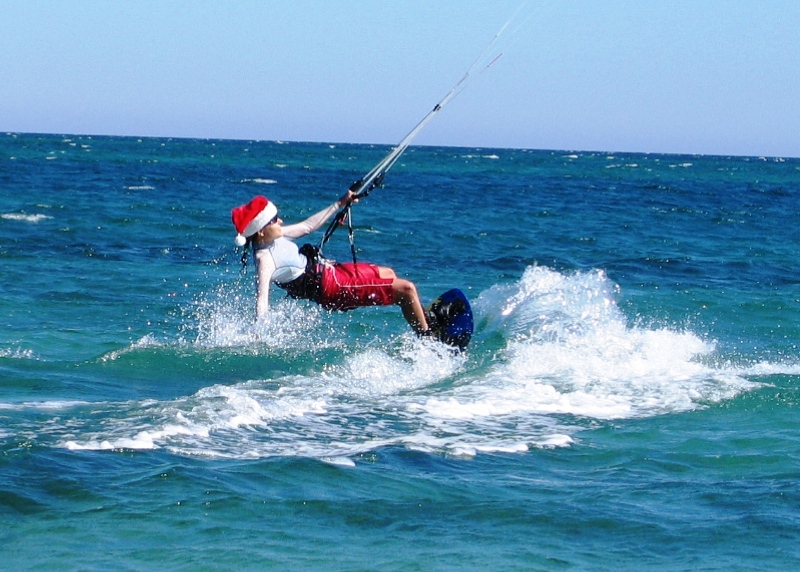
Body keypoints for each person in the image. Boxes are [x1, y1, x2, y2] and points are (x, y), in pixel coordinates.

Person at [232, 192, 430, 335]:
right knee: (406, 289)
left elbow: (308, 226)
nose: (281, 221)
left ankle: (425, 319)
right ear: (260, 231)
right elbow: (262, 300)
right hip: (333, 288)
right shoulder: (264, 260)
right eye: (274, 220)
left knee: (388, 273)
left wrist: (340, 202)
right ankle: (428, 340)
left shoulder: (275, 236)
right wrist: (259, 334)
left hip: (331, 272)